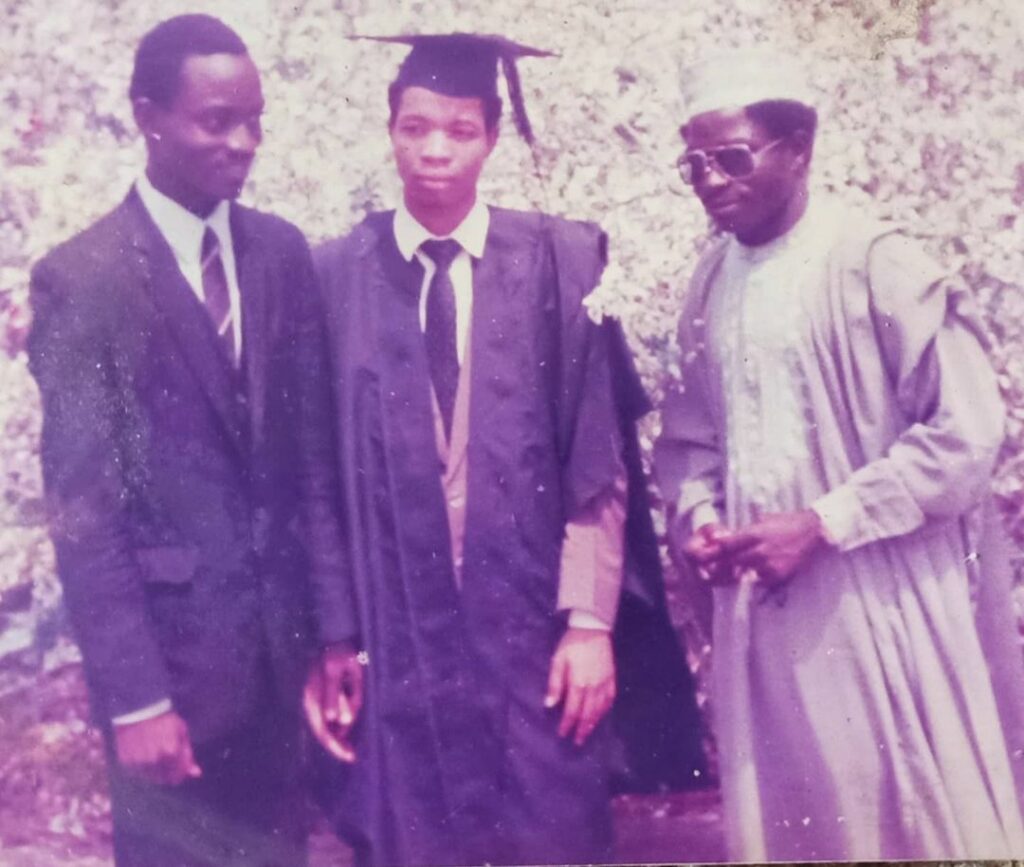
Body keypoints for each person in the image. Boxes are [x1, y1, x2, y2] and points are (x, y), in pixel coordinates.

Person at [307, 32, 704, 867]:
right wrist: (337, 634)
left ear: (491, 136)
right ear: (389, 130)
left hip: (533, 641)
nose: (436, 150)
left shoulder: (561, 260)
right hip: (398, 644)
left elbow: (596, 461)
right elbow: (314, 477)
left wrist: (589, 624)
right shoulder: (336, 274)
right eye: (415, 127)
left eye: (460, 129)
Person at [654, 50, 1024, 861]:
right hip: (764, 611)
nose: (711, 181)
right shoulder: (711, 283)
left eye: (732, 158)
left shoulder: (875, 263)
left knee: (907, 816)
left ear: (798, 149)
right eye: (695, 165)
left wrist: (825, 522)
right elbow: (689, 440)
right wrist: (703, 517)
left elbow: (966, 431)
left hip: (880, 593)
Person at [27, 15, 359, 866]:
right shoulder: (84, 281)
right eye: (217, 121)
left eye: (255, 122)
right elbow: (86, 514)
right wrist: (136, 699)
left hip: (282, 679)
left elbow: (312, 463)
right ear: (148, 116)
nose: (243, 144)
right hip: (170, 689)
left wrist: (333, 634)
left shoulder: (279, 255)